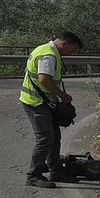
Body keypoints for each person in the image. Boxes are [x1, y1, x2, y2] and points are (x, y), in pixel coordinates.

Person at [19, 31, 83, 188]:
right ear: (64, 44)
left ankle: (56, 172)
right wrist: (62, 95)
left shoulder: (45, 50)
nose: (71, 54)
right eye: (71, 50)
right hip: (36, 102)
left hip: (45, 103)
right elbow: (44, 79)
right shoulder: (48, 55)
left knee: (54, 137)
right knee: (45, 138)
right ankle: (34, 175)